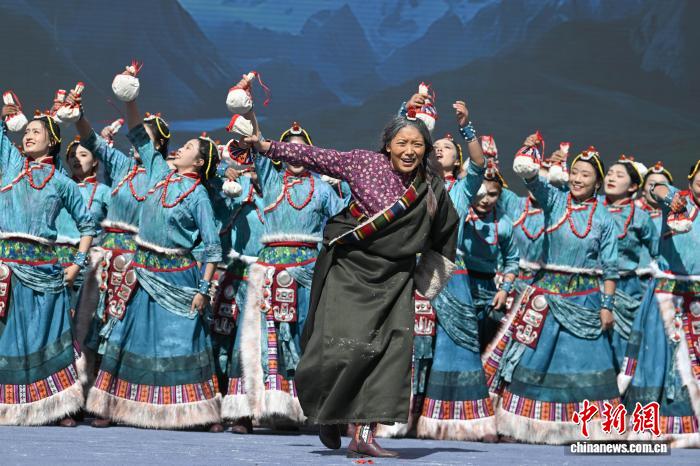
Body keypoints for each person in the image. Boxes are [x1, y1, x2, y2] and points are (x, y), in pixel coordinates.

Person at [241, 112, 458, 458]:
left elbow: (446, 230)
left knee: (386, 355)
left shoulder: (430, 186)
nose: (409, 150)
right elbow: (315, 157)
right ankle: (327, 409)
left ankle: (364, 435)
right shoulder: (363, 163)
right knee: (342, 349)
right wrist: (266, 146)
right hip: (350, 271)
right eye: (402, 143)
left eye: (417, 144)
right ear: (387, 146)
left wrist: (428, 277)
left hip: (395, 280)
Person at [86, 75, 223, 431]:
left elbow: (212, 247)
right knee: (127, 334)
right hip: (143, 271)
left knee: (182, 343)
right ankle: (113, 405)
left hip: (178, 278)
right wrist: (131, 99)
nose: (180, 148)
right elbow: (137, 133)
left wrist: (203, 289)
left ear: (199, 162)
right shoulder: (158, 170)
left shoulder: (198, 196)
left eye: (188, 147)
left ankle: (193, 411)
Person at [484, 142, 620, 443]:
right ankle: (523, 426)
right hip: (546, 295)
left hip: (585, 299)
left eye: (585, 175)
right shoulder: (556, 201)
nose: (578, 179)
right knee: (532, 360)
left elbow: (610, 267)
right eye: (575, 172)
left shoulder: (604, 217)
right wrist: (529, 163)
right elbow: (534, 183)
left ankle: (586, 428)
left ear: (597, 182)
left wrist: (607, 305)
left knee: (585, 363)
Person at [236, 119, 346, 430]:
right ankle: (258, 410)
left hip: (308, 273)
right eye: (289, 151)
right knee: (261, 340)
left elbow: (343, 222)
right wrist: (248, 108)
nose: (295, 156)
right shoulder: (271, 181)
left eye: (302, 151)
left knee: (306, 338)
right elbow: (257, 143)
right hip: (269, 272)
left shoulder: (322, 189)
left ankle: (310, 409)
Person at [0, 107, 95, 426]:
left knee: (47, 338)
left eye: (36, 132)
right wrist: (4, 116)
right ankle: (9, 404)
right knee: (8, 337)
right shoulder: (12, 165)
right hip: (7, 267)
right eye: (26, 131)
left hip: (44, 270)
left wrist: (77, 264)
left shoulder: (63, 183)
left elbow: (87, 226)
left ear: (52, 141)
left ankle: (56, 407)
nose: (28, 135)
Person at [414, 101, 501, 442]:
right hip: (415, 267)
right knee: (414, 342)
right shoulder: (414, 184)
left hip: (451, 270)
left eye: (447, 148)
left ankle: (456, 421)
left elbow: (479, 163)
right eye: (434, 145)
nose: (439, 150)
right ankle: (402, 417)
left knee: (457, 344)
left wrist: (466, 127)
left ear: (456, 161)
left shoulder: (462, 188)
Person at [623, 160, 700, 448]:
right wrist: (672, 199)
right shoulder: (678, 200)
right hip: (668, 295)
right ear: (691, 179)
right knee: (659, 360)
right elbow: (658, 188)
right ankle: (655, 425)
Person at [600, 156, 657, 385]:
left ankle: (624, 399)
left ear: (633, 186)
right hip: (592, 285)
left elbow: (658, 252)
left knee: (622, 346)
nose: (611, 177)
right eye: (609, 173)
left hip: (627, 289)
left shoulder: (640, 217)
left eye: (619, 175)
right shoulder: (591, 209)